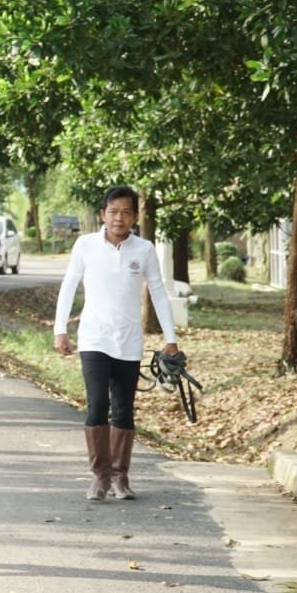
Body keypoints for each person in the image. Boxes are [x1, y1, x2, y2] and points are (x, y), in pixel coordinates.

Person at [53, 185, 180, 501]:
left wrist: (171, 339)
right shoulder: (85, 245)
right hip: (94, 338)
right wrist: (60, 330)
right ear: (103, 214)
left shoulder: (144, 250)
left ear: (135, 216)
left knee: (124, 409)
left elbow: (159, 292)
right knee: (98, 405)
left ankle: (121, 477)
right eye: (113, 212)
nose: (118, 218)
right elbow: (69, 285)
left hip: (128, 340)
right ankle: (100, 477)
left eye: (125, 212)